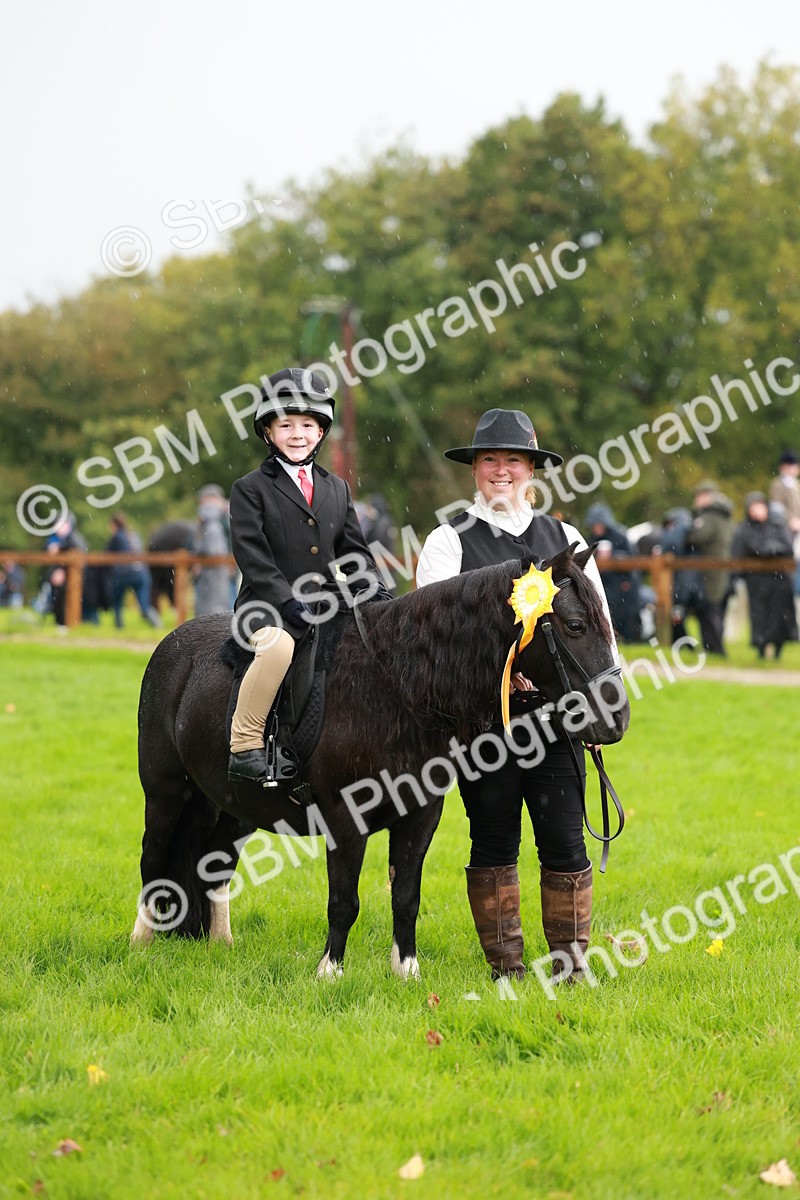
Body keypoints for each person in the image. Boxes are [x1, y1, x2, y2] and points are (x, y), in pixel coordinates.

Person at [416, 408, 618, 983]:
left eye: (512, 460)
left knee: (564, 841)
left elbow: (599, 631)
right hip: (484, 727)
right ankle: (506, 967)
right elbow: (432, 644)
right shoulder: (447, 542)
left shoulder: (568, 540)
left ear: (532, 468)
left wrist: (604, 699)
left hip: (557, 723)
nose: (500, 471)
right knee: (494, 839)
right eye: (489, 460)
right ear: (474, 470)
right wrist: (497, 678)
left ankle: (570, 967)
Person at [228, 367, 389, 783]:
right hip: (267, 607)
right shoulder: (249, 489)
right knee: (280, 648)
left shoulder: (337, 488)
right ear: (268, 431)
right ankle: (245, 743)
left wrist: (377, 594)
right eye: (286, 425)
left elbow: (354, 551)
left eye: (307, 425)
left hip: (325, 603)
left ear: (321, 432)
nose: (297, 433)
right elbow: (253, 556)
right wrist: (286, 600)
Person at [731, 493, 797, 659]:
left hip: (779, 580)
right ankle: (761, 649)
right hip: (757, 581)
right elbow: (743, 551)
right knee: (760, 616)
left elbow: (787, 546)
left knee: (780, 615)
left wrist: (769, 549)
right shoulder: (744, 529)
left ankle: (778, 649)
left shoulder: (777, 525)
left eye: (760, 506)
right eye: (753, 507)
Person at [685, 481, 733, 655]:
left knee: (709, 608)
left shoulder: (709, 517)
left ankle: (714, 648)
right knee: (716, 608)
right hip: (720, 569)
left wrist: (688, 533)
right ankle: (714, 647)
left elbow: (698, 537)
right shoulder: (723, 515)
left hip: (710, 570)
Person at [584, 503, 642, 642]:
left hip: (620, 583)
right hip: (602, 582)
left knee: (623, 613)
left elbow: (633, 560)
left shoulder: (620, 536)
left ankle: (628, 639)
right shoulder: (591, 539)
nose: (596, 528)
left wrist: (615, 557)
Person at [106, 514, 161, 629]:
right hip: (141, 572)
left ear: (114, 525)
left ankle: (118, 626)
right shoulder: (134, 535)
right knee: (144, 604)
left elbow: (107, 554)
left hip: (123, 573)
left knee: (117, 601)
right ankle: (156, 623)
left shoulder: (117, 537)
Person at [193, 485, 233, 616]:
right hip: (217, 564)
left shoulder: (223, 516)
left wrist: (232, 560)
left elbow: (232, 537)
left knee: (226, 596)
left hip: (225, 562)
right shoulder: (211, 520)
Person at [769, 450, 800, 597]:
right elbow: (777, 509)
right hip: (786, 531)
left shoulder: (796, 485)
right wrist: (791, 521)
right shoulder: (777, 485)